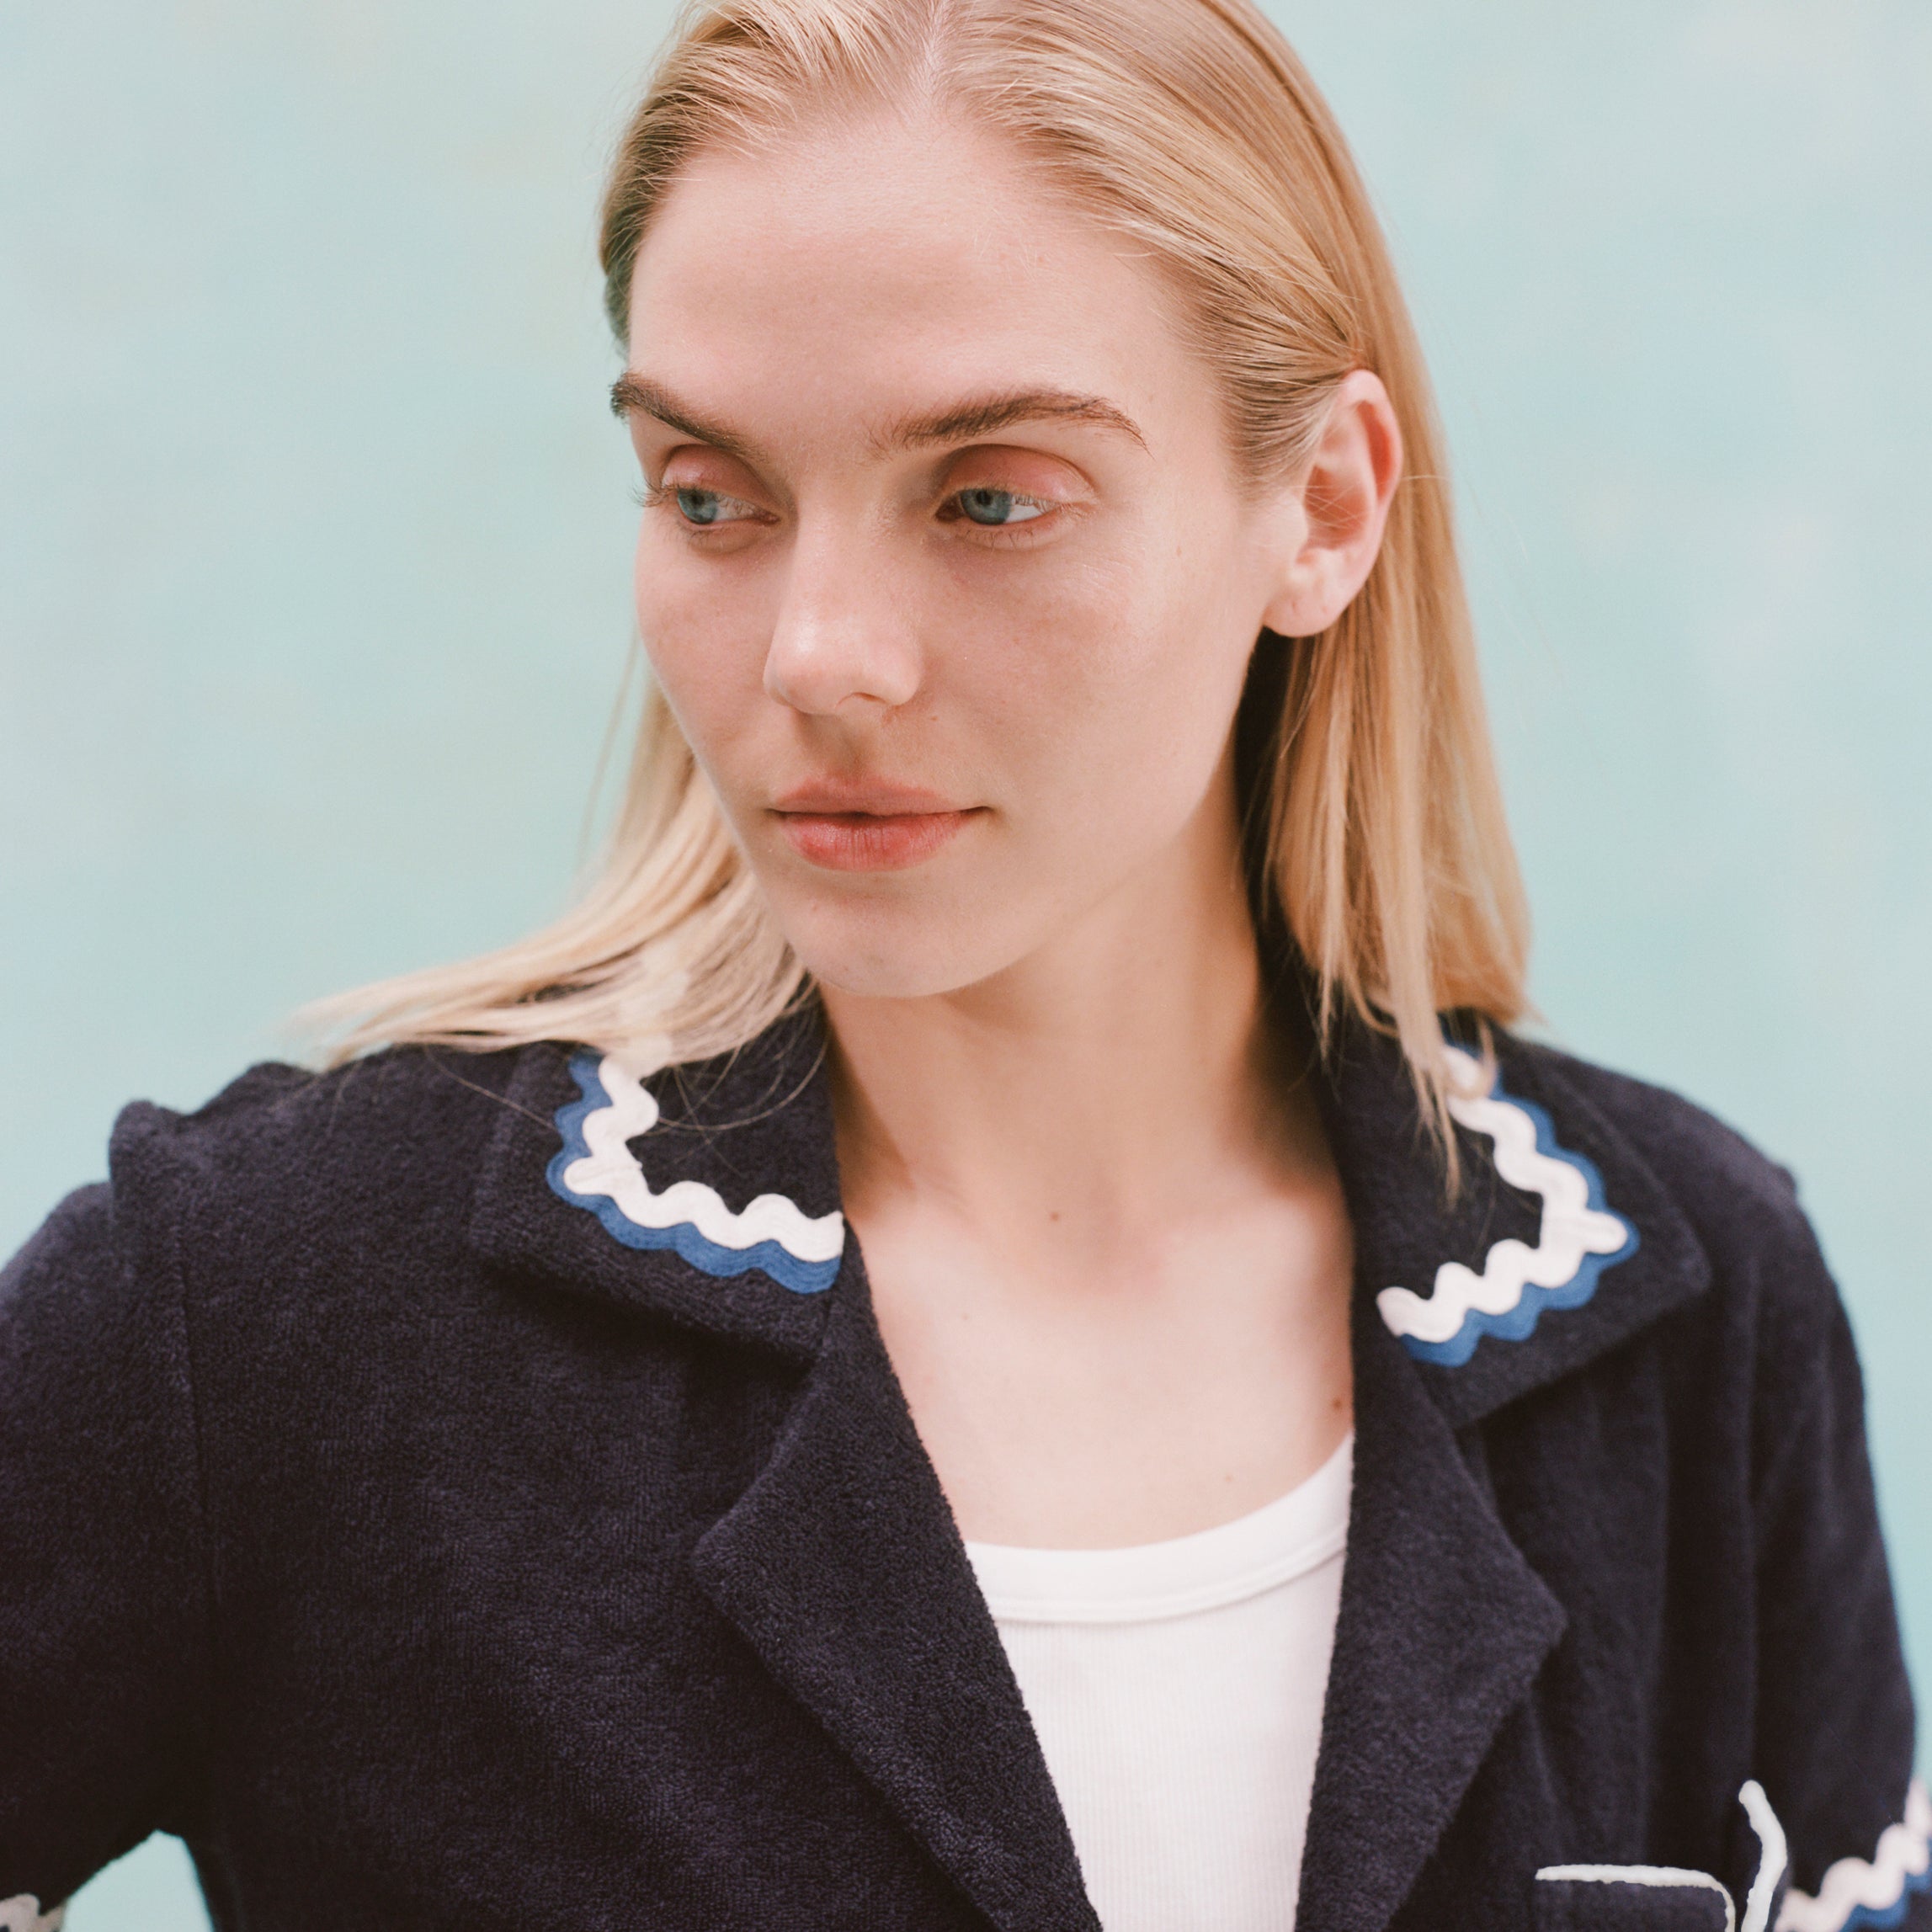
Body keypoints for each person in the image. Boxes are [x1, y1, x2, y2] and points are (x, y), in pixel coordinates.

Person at [2, 0, 1924, 1926]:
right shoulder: (265, 1307)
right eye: (709, 495)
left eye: (988, 495)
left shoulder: (1690, 1299)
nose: (817, 655)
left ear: (1323, 509)